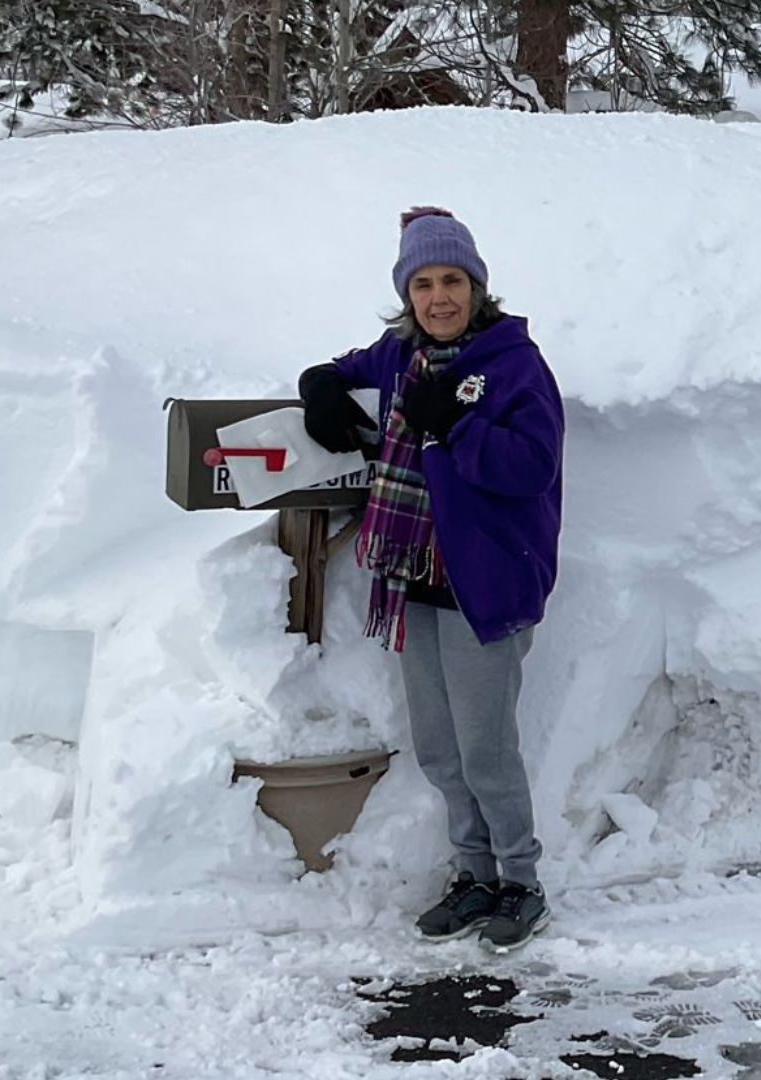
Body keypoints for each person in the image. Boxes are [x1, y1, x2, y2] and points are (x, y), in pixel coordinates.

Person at [297, 207, 564, 953]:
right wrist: (319, 387)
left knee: (486, 750)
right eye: (423, 283)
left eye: (452, 281)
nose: (439, 297)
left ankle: (522, 883)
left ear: (477, 288)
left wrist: (452, 422)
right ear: (406, 294)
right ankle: (473, 876)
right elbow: (340, 369)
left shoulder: (515, 365)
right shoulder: (398, 354)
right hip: (416, 577)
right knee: (441, 749)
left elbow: (529, 469)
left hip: (489, 582)